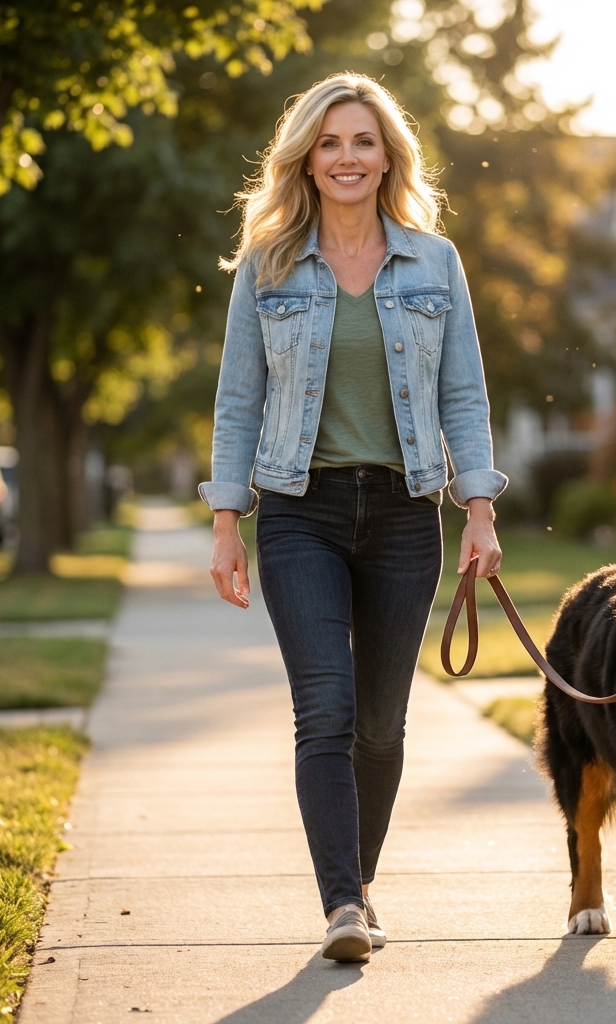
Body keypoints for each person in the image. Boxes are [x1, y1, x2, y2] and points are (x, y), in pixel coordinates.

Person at [199, 73, 505, 964]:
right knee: (324, 710)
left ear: (387, 157)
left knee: (381, 722)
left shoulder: (434, 262)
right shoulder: (270, 267)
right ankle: (341, 904)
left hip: (407, 512)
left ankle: (359, 884)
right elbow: (236, 403)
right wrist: (227, 522)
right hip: (301, 511)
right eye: (329, 143)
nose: (346, 158)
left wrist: (477, 510)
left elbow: (464, 394)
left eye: (362, 142)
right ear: (306, 157)